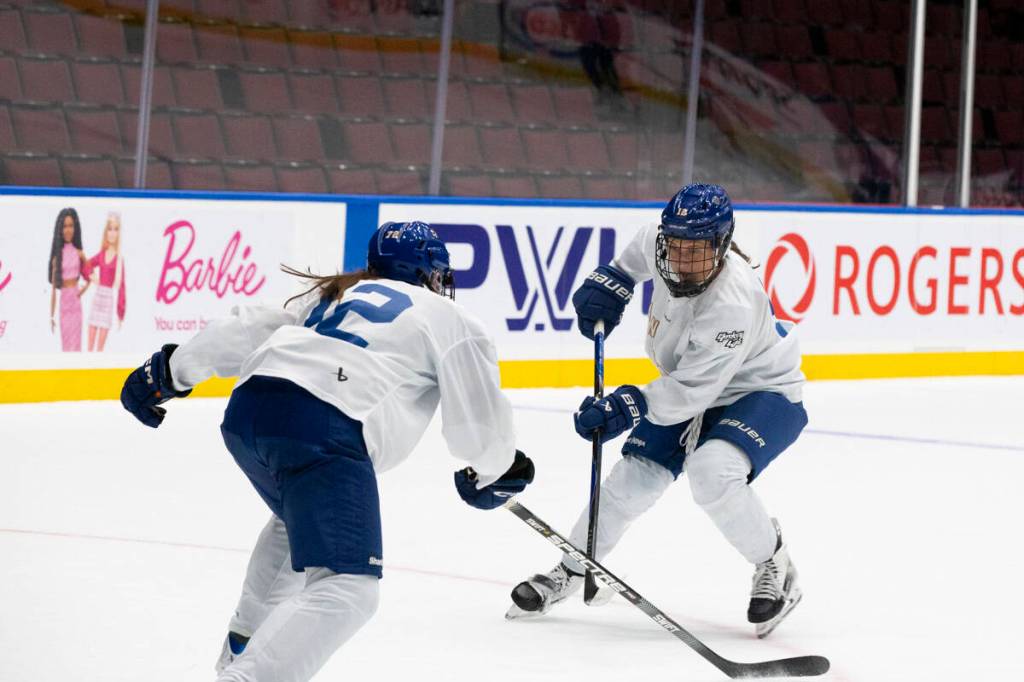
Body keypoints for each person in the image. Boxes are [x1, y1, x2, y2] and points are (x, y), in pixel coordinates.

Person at [120, 221, 536, 682]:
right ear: (428, 273)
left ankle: (240, 654)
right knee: (349, 588)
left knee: (292, 524)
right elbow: (477, 427)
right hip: (324, 425)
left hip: (249, 412)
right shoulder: (449, 318)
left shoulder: (334, 292)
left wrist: (169, 371)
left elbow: (244, 329)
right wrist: (494, 469)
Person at [506, 184, 807, 638]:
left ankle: (774, 564)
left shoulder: (733, 302)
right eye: (676, 246)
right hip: (691, 381)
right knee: (633, 480)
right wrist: (613, 282)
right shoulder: (658, 240)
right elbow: (631, 261)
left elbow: (690, 392)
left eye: (696, 251)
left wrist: (629, 404)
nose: (682, 260)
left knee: (712, 472)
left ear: (722, 245)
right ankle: (573, 567)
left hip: (760, 390)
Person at [47, 207, 89, 351]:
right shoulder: (57, 257)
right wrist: (51, 316)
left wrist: (83, 289)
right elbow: (53, 290)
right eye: (65, 226)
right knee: (66, 345)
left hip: (76, 305)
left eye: (71, 226)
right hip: (64, 305)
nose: (68, 230)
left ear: (75, 228)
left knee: (76, 344)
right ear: (60, 229)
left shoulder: (79, 253)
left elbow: (90, 275)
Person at [85, 211, 127, 352]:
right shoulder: (102, 255)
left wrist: (120, 312)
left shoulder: (119, 260)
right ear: (106, 232)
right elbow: (87, 264)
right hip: (98, 297)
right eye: (110, 229)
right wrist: (91, 275)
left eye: (115, 229)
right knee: (89, 346)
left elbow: (122, 287)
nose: (112, 233)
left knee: (100, 348)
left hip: (108, 299)